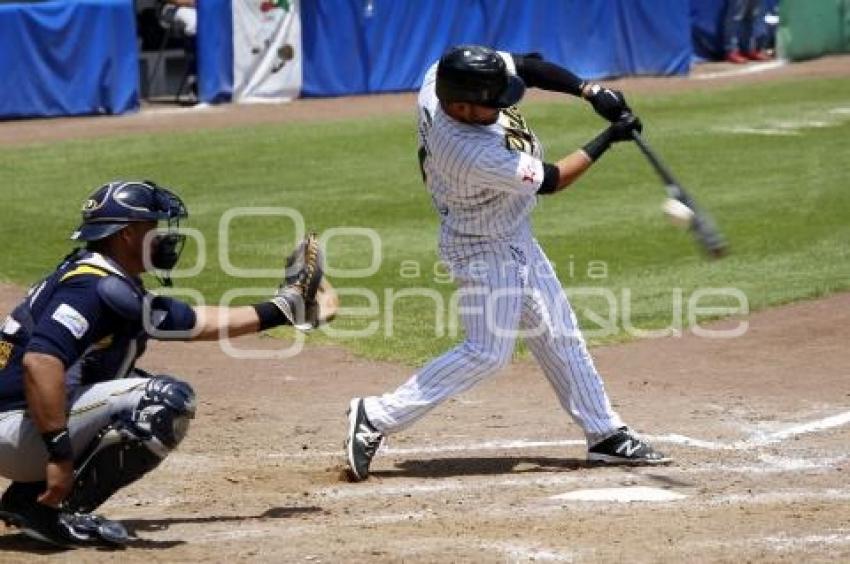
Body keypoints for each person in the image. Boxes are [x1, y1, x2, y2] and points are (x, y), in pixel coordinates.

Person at [344, 45, 670, 482]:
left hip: (512, 234)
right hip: (481, 247)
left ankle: (604, 433)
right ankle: (375, 416)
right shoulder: (466, 151)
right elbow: (552, 180)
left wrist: (590, 91)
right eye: (491, 104)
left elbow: (529, 64)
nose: (502, 107)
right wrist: (611, 137)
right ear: (459, 106)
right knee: (487, 353)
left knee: (559, 332)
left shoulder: (443, 72)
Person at [0, 180, 334, 547]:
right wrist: (60, 455)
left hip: (18, 425)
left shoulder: (103, 278)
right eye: (153, 229)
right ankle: (53, 511)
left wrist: (286, 308)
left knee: (126, 376)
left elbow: (194, 322)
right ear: (127, 235)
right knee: (160, 402)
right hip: (16, 430)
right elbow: (40, 361)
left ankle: (26, 499)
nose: (162, 239)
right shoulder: (93, 289)